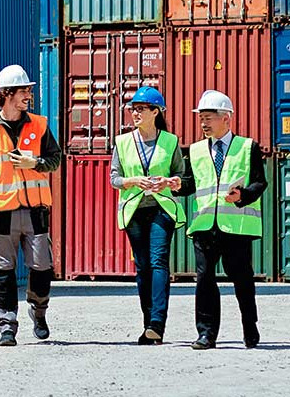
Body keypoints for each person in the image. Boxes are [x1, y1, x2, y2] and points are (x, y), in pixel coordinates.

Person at [0, 64, 63, 347]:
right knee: (3, 272)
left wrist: (37, 163)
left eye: (29, 91)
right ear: (7, 94)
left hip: (35, 211)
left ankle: (39, 310)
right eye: (24, 91)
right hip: (2, 212)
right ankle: (7, 326)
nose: (28, 96)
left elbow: (55, 159)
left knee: (42, 267)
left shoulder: (40, 125)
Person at [185, 90, 267, 350]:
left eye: (208, 118)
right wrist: (176, 184)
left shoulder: (247, 146)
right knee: (205, 279)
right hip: (205, 225)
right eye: (201, 119)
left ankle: (249, 327)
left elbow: (259, 182)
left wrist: (243, 196)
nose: (203, 123)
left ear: (227, 119)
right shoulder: (196, 150)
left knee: (242, 280)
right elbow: (190, 183)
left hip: (236, 226)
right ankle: (206, 334)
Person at [110, 86, 189, 345]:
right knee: (142, 267)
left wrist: (167, 182)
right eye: (133, 109)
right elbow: (114, 179)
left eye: (141, 109)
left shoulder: (170, 141)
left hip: (161, 209)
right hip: (134, 210)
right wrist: (133, 180)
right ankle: (148, 323)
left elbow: (182, 177)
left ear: (156, 112)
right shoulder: (122, 142)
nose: (135, 113)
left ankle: (157, 322)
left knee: (158, 262)